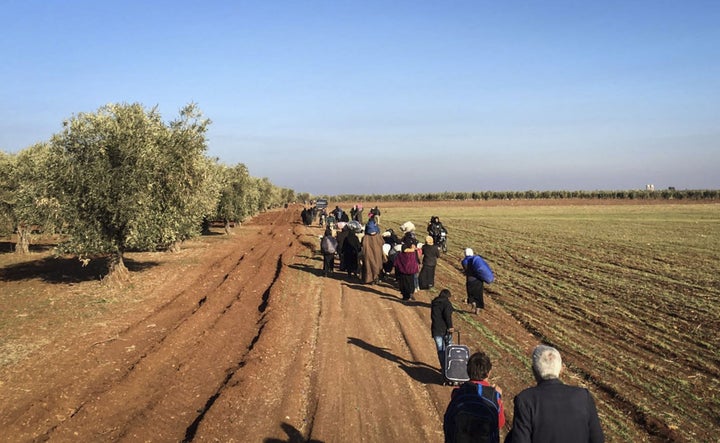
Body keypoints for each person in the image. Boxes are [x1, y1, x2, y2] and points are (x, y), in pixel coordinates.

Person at [506, 345, 604, 443]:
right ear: (561, 369)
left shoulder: (526, 400)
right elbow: (597, 439)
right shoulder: (583, 396)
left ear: (534, 370)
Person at [444, 351, 506, 443]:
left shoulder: (458, 392)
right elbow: (500, 423)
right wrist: (499, 397)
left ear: (468, 371)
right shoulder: (494, 396)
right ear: (488, 373)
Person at [461, 248, 494, 315]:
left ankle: (473, 303)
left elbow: (466, 270)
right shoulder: (475, 260)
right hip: (478, 280)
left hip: (469, 280)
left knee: (471, 294)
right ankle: (477, 309)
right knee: (478, 295)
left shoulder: (464, 261)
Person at [430, 289, 454, 370]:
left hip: (436, 329)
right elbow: (447, 316)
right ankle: (450, 368)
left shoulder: (434, 303)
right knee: (449, 349)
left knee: (440, 350)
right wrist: (450, 326)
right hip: (445, 330)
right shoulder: (447, 304)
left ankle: (443, 368)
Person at [393, 236, 420, 301]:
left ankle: (406, 296)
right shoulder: (414, 251)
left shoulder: (402, 250)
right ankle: (410, 294)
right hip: (411, 270)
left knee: (404, 283)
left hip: (403, 270)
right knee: (411, 282)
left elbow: (397, 260)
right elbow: (417, 259)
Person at [361, 220, 385, 284]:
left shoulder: (365, 237)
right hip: (378, 254)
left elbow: (362, 245)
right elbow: (382, 243)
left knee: (369, 266)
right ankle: (377, 278)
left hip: (368, 254)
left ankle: (369, 279)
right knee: (378, 265)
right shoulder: (378, 236)